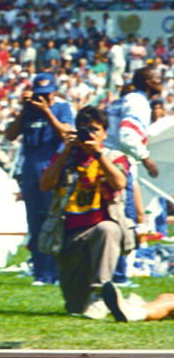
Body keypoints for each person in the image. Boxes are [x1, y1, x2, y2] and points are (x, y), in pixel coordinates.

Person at [39, 105, 133, 320]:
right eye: (84, 129)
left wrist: (98, 154)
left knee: (108, 229)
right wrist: (65, 152)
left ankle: (101, 293)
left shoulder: (113, 156)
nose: (89, 134)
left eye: (94, 130)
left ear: (104, 133)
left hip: (99, 228)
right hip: (69, 233)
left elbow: (119, 182)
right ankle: (115, 300)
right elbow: (44, 185)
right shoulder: (66, 156)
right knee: (75, 307)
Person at [4, 72, 75, 285]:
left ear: (54, 91)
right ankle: (40, 271)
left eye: (46, 94)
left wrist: (47, 112)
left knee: (52, 219)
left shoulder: (62, 108)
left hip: (52, 165)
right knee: (34, 220)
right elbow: (10, 135)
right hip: (30, 167)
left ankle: (53, 271)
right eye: (38, 94)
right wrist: (23, 111)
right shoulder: (28, 112)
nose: (42, 98)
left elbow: (65, 134)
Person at [106, 67, 162, 284]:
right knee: (124, 217)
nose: (161, 82)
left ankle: (111, 271)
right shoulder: (138, 102)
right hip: (119, 161)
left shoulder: (124, 100)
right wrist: (146, 158)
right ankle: (118, 275)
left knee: (114, 216)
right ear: (147, 82)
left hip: (109, 158)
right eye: (157, 79)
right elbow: (127, 135)